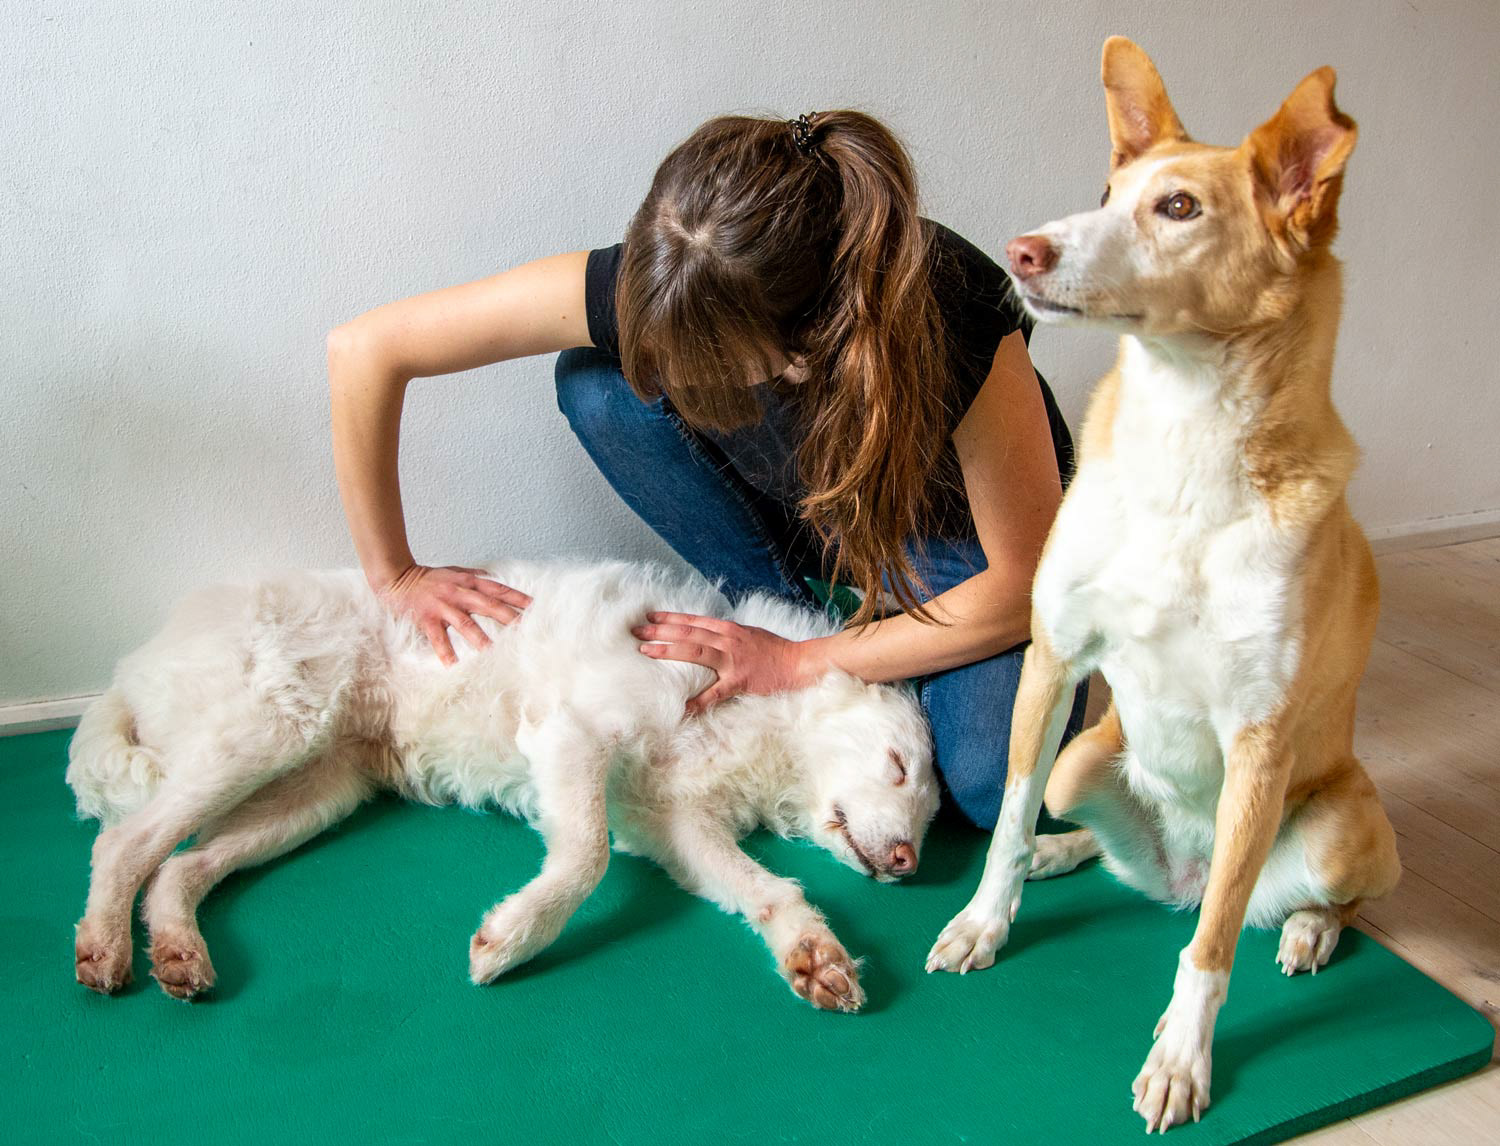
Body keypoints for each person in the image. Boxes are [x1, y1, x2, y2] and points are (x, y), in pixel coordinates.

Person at [326, 110, 1086, 830]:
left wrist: (803, 661)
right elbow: (364, 350)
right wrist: (394, 574)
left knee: (995, 790)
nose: (678, 381)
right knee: (599, 383)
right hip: (814, 516)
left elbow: (1026, 580)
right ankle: (798, 616)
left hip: (953, 552)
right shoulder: (679, 273)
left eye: (706, 366)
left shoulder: (953, 311)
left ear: (805, 343)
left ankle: (838, 644)